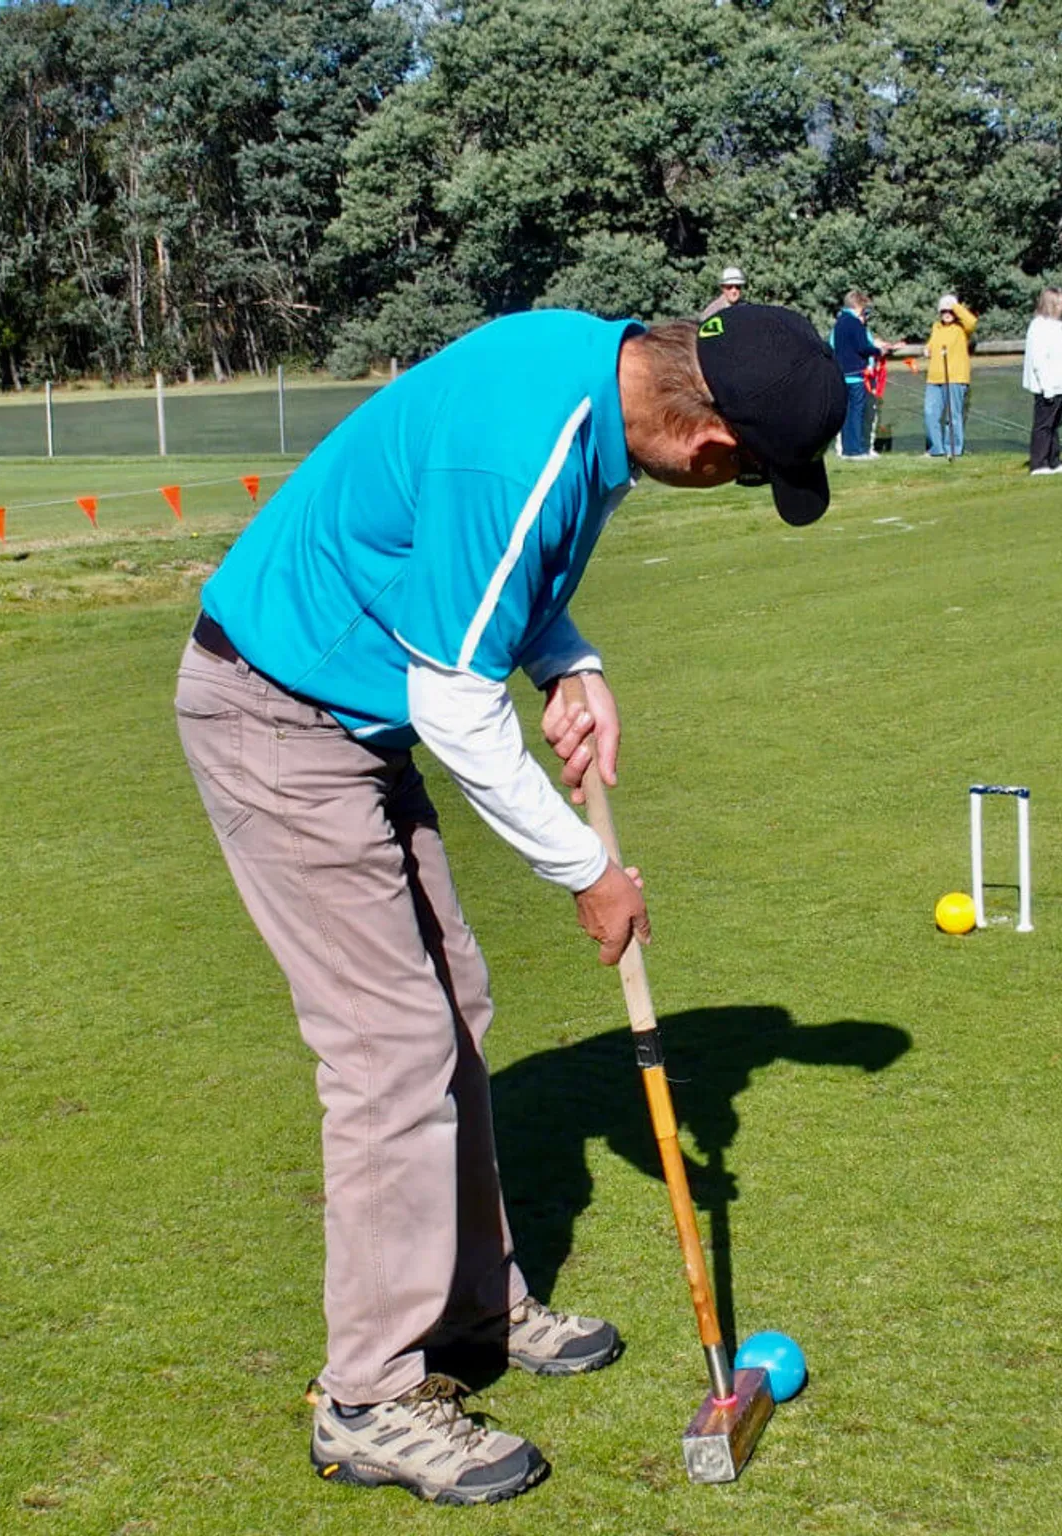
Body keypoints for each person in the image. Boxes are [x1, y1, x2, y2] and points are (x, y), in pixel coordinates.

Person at [174, 305, 843, 1506]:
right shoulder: (528, 440)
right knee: (390, 1046)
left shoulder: (600, 383)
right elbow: (452, 704)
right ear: (709, 448)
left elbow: (491, 577)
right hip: (274, 712)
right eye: (751, 475)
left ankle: (475, 1303)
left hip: (350, 711)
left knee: (454, 1002)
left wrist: (569, 664)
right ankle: (369, 1397)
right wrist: (586, 871)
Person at [1021, 287, 1062, 474]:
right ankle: (1039, 463)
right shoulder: (1039, 326)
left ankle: (1054, 460)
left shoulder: (1056, 326)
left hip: (1061, 383)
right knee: (1043, 425)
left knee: (1055, 424)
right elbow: (1039, 360)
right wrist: (1047, 386)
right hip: (1047, 385)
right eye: (1060, 302)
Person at [832, 289, 887, 459]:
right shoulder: (855, 323)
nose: (864, 312)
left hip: (841, 375)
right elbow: (863, 347)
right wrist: (879, 350)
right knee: (857, 412)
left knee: (847, 413)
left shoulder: (839, 322)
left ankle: (847, 450)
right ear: (858, 305)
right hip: (856, 374)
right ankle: (855, 450)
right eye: (864, 308)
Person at [924, 292, 977, 457]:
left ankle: (953, 448)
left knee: (953, 415)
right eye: (944, 310)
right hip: (934, 377)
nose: (947, 314)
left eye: (950, 311)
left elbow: (972, 322)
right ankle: (936, 449)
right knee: (930, 412)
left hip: (955, 377)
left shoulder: (962, 328)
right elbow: (932, 344)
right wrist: (927, 348)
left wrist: (954, 305)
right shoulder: (936, 327)